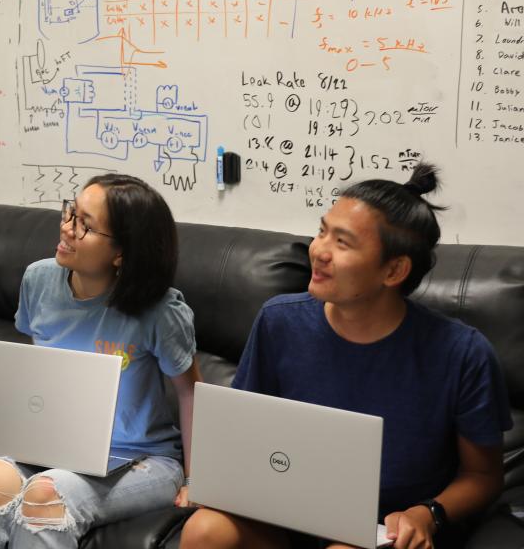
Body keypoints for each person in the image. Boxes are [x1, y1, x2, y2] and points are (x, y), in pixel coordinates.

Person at [180, 163, 512, 549]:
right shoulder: (279, 321)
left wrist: (427, 514)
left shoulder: (462, 353)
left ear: (394, 270)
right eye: (322, 231)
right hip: (290, 516)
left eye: (343, 242)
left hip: (384, 531)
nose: (318, 251)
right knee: (205, 530)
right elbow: (241, 435)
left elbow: (484, 475)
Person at [0, 173, 200, 548]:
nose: (67, 230)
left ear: (121, 252)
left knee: (48, 493)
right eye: (70, 214)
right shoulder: (38, 280)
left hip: (139, 457)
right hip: (52, 444)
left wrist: (196, 482)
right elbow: (38, 375)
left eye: (85, 226)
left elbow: (192, 395)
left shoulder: (160, 311)